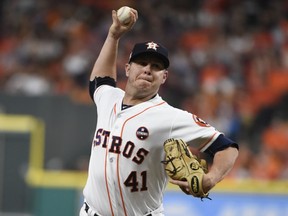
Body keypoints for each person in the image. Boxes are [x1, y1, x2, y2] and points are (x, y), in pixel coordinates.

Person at [80, 7, 239, 216]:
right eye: (142, 63)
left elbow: (227, 148)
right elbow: (99, 81)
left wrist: (211, 177)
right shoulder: (109, 98)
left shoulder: (170, 117)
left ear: (163, 77)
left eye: (156, 66)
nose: (147, 69)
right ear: (128, 69)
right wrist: (113, 36)